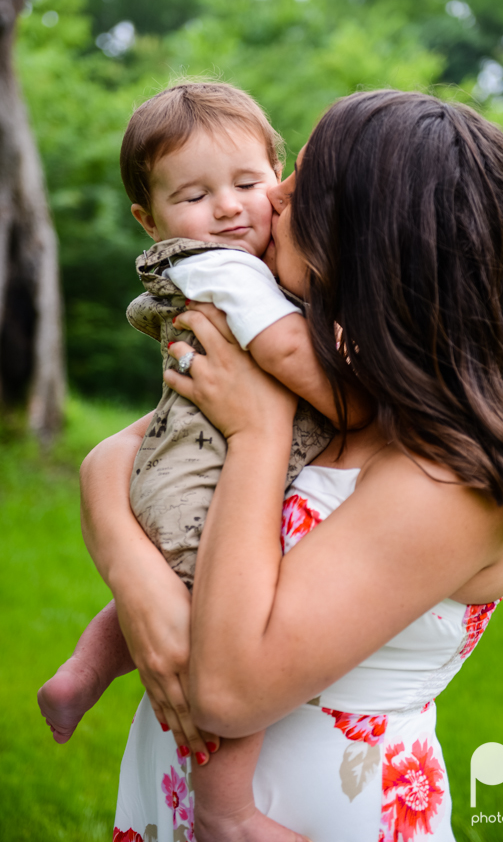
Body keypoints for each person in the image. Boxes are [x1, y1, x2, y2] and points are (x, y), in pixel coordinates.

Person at [79, 90, 503, 842]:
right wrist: (139, 583)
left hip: (314, 814)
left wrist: (257, 435)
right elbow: (115, 459)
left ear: (369, 231)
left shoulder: (455, 476)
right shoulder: (337, 376)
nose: (269, 193)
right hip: (171, 793)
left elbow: (225, 692)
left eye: (300, 183)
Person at [38, 82, 374, 842]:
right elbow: (288, 352)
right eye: (194, 194)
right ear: (148, 219)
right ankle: (226, 810)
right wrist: (365, 392)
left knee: (173, 587)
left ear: (278, 178)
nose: (228, 209)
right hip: (202, 474)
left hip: (188, 462)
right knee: (212, 615)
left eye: (248, 185)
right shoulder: (223, 272)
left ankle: (83, 673)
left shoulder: (261, 270)